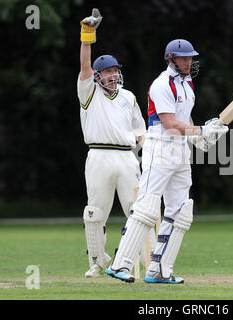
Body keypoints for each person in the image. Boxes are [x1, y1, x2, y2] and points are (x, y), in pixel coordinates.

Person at [106, 39, 229, 283]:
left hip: (181, 150)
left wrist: (198, 137)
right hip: (161, 148)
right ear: (171, 59)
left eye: (191, 58)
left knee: (181, 211)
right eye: (184, 58)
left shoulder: (187, 83)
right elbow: (170, 124)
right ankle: (120, 265)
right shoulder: (162, 84)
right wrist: (202, 131)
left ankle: (160, 269)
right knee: (147, 205)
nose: (189, 62)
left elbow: (184, 119)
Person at [78, 9, 153, 277]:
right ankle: (97, 262)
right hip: (98, 156)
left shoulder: (128, 96)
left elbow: (140, 131)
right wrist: (88, 35)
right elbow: (85, 67)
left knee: (139, 211)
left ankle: (147, 262)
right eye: (108, 71)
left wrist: (151, 151)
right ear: (98, 75)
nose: (113, 75)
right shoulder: (88, 91)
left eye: (115, 71)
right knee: (94, 212)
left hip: (126, 157)